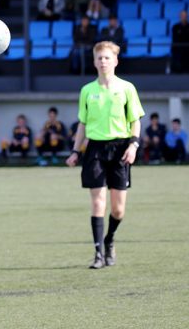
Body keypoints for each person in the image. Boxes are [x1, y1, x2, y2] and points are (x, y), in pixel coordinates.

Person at [66, 41, 145, 269]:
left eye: (107, 57)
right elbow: (82, 124)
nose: (103, 61)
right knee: (98, 202)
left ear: (116, 60)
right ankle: (99, 253)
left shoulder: (127, 88)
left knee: (118, 209)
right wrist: (75, 151)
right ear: (94, 61)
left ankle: (110, 239)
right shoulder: (87, 91)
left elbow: (135, 121)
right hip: (95, 150)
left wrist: (133, 145)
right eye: (99, 58)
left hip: (121, 149)